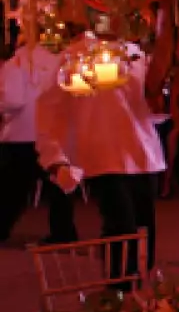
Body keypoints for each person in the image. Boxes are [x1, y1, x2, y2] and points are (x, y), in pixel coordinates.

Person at [35, 36, 165, 273]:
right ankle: (118, 295)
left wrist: (163, 103)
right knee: (121, 229)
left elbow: (148, 111)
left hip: (143, 154)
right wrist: (54, 159)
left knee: (145, 232)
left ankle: (143, 298)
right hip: (101, 154)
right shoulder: (72, 57)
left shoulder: (135, 54)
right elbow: (49, 114)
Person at [0, 36, 76, 243]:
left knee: (12, 187)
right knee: (57, 185)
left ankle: (2, 227)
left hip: (21, 134)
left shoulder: (16, 63)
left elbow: (12, 100)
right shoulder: (57, 61)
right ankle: (64, 231)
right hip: (51, 132)